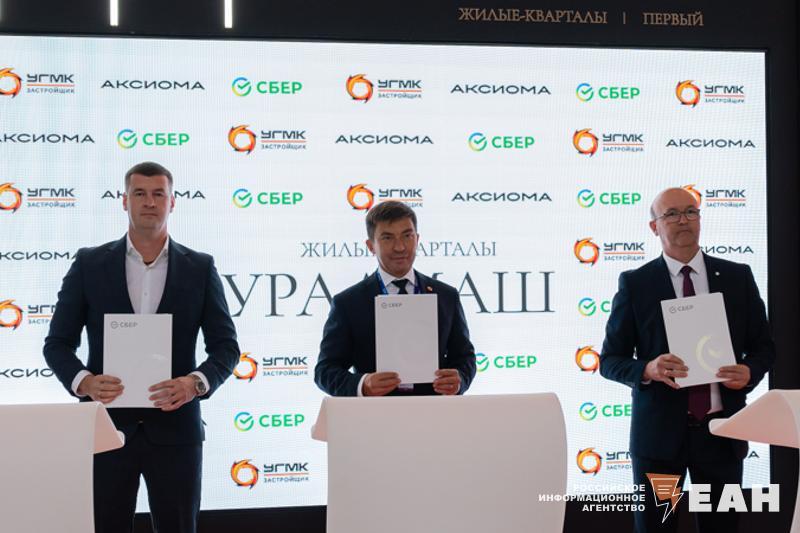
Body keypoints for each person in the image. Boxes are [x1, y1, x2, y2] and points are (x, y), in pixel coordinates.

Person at [43, 161, 239, 533]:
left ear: (172, 202)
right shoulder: (89, 264)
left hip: (177, 431)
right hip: (106, 428)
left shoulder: (200, 267)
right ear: (124, 200)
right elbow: (57, 344)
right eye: (139, 193)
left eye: (158, 194)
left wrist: (194, 383)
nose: (149, 202)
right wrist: (85, 382)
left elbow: (226, 347)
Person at [599, 187, 775, 532]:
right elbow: (610, 360)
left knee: (722, 529)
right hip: (659, 441)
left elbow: (764, 348)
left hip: (721, 435)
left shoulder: (737, 277)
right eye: (672, 214)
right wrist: (647, 369)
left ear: (699, 219)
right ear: (654, 227)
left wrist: (749, 371)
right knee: (656, 528)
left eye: (691, 212)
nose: (683, 220)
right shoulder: (636, 284)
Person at [314, 200, 476, 396]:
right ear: (371, 246)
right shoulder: (348, 303)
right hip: (375, 413)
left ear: (417, 239)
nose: (400, 247)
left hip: (434, 411)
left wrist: (459, 380)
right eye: (387, 238)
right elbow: (325, 371)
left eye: (407, 236)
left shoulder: (446, 296)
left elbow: (465, 358)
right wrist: (363, 384)